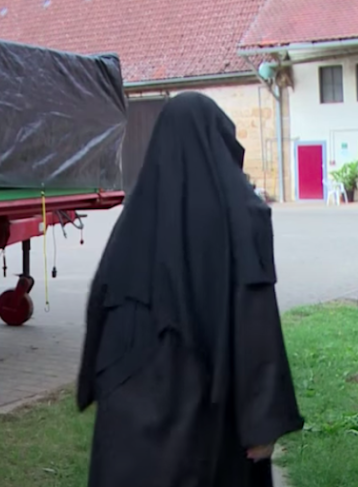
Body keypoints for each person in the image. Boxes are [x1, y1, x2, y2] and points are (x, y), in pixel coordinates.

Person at [76, 92, 304, 487]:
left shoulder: (136, 217)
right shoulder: (243, 215)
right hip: (202, 409)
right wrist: (261, 423)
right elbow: (256, 323)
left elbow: (101, 303)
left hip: (130, 414)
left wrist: (94, 385)